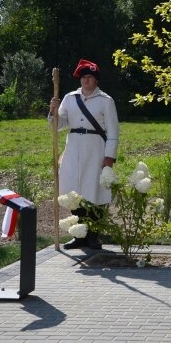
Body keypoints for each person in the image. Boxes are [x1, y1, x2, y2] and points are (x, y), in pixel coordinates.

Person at [50, 59, 120, 250]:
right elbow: (58, 126)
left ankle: (93, 235)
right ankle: (78, 235)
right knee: (74, 191)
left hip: (95, 148)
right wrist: (53, 111)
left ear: (96, 80)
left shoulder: (106, 101)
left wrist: (109, 157)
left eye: (89, 77)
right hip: (73, 148)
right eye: (83, 77)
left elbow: (113, 132)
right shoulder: (69, 98)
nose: (86, 81)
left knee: (94, 191)